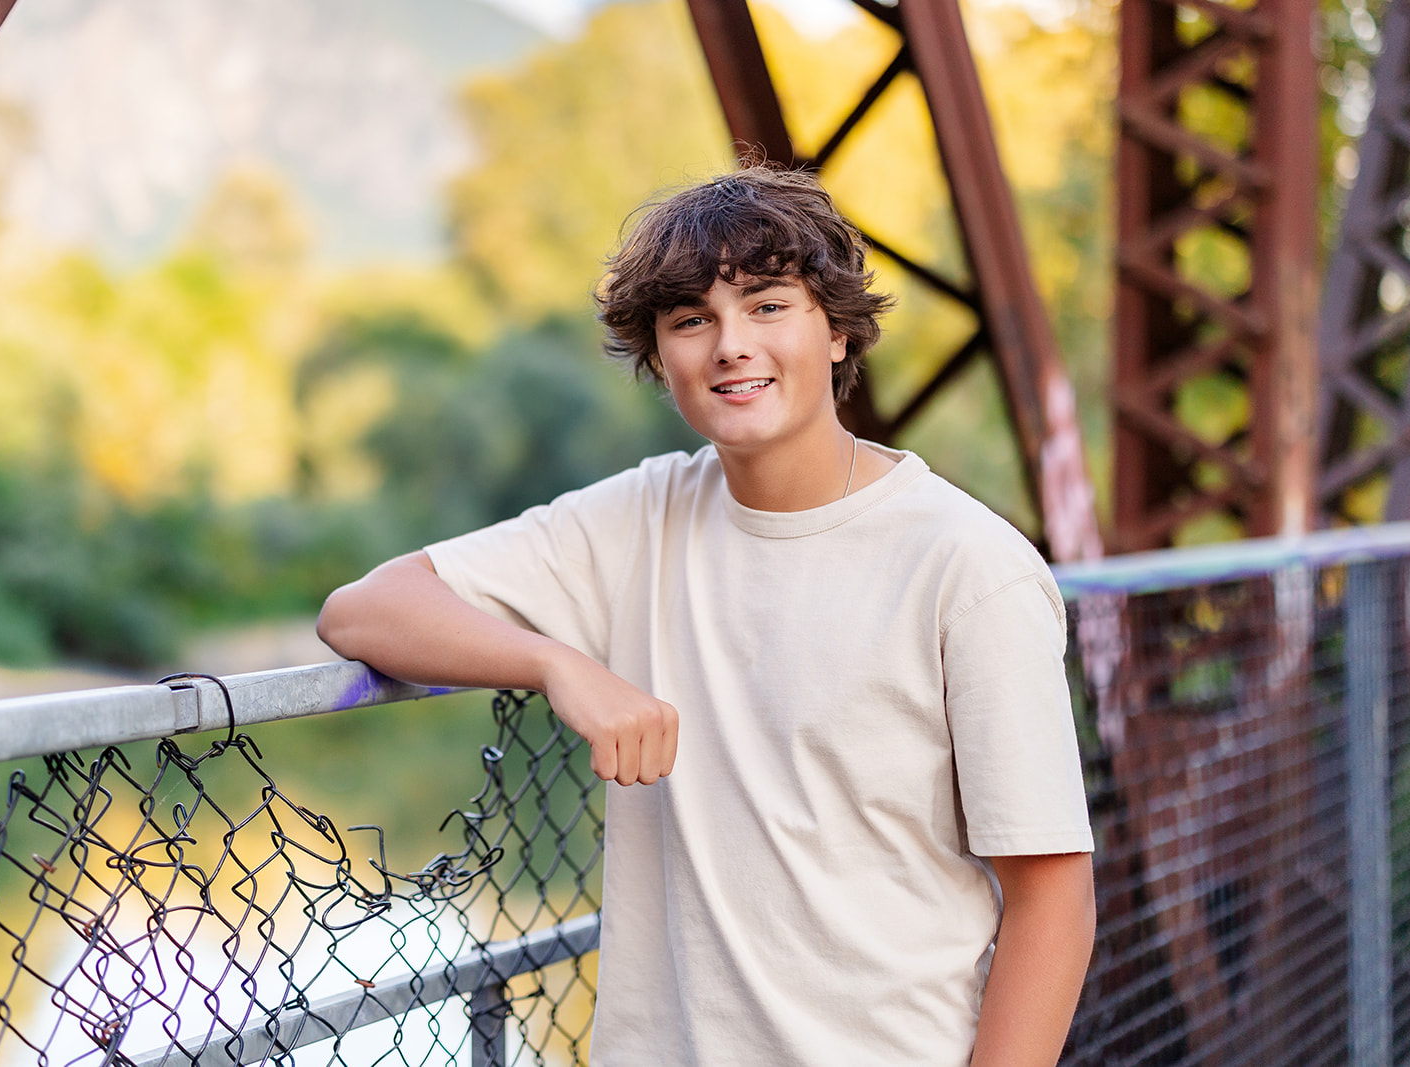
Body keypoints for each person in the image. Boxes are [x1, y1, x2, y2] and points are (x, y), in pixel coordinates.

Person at [317, 167, 1096, 1066]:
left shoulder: (968, 566)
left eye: (768, 305)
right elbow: (366, 609)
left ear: (837, 330)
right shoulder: (643, 516)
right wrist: (561, 664)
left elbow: (1052, 896)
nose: (731, 345)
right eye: (691, 320)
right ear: (662, 356)